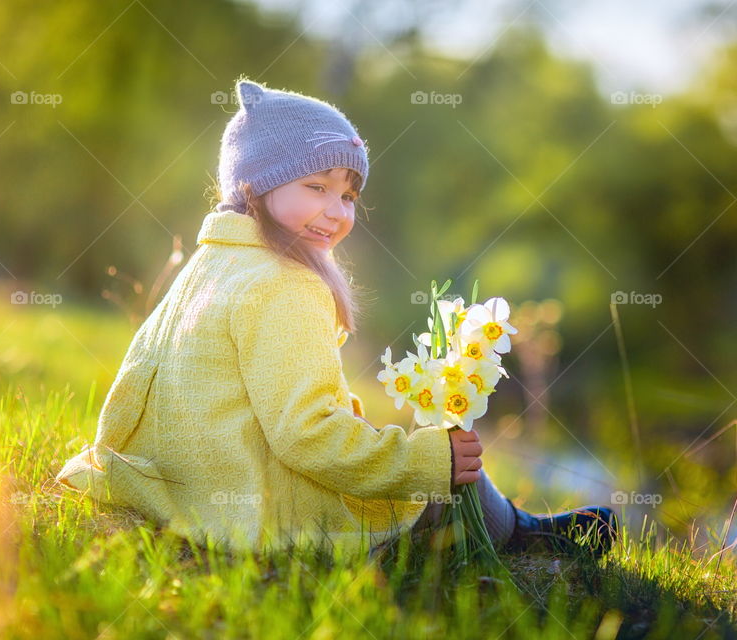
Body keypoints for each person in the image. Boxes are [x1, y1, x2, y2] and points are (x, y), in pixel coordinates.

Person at [55, 78, 617, 559]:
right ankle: (525, 537)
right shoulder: (284, 285)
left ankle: (517, 526)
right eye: (315, 187)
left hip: (169, 477)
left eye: (348, 195)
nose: (335, 211)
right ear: (255, 187)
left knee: (413, 454)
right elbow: (305, 437)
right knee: (437, 471)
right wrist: (423, 460)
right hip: (244, 499)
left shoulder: (214, 263)